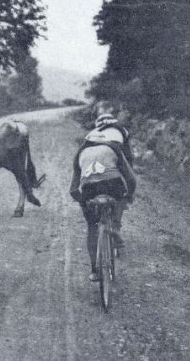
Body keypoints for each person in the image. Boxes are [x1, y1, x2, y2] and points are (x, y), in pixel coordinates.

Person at [70, 117, 136, 282]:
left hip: (89, 188)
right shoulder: (114, 145)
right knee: (118, 197)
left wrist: (82, 202)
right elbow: (131, 179)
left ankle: (94, 271)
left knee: (92, 228)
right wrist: (128, 197)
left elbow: (73, 189)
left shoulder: (81, 151)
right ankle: (114, 226)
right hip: (112, 184)